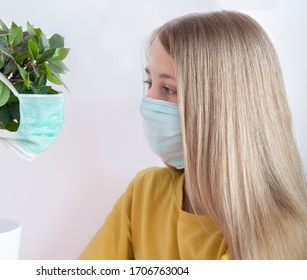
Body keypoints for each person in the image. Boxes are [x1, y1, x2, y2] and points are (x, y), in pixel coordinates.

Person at [79, 10, 307, 260]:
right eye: (149, 83)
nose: (148, 101)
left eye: (168, 89)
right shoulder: (145, 193)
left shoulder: (277, 235)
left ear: (224, 107)